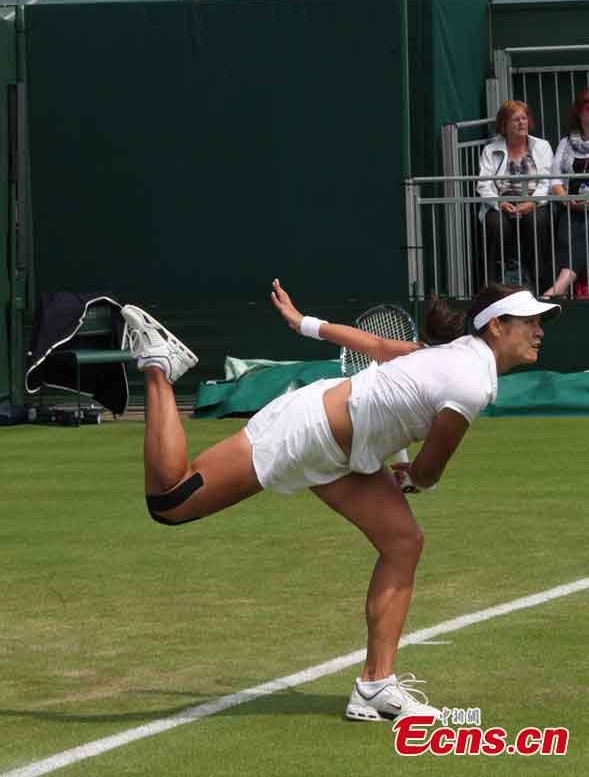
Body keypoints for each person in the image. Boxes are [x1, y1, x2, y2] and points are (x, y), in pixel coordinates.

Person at [120, 279, 560, 723]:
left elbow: (375, 345)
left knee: (403, 542)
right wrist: (416, 481)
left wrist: (305, 323)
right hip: (305, 432)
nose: (539, 331)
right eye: (530, 322)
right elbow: (426, 471)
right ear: (498, 326)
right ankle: (159, 367)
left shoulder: (458, 353)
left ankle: (375, 686)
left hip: (349, 453)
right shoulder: (471, 383)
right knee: (171, 501)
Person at [477, 101, 553, 290]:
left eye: (524, 118)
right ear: (504, 125)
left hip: (533, 201)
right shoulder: (490, 150)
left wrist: (533, 202)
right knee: (495, 224)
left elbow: (548, 181)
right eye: (515, 119)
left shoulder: (542, 146)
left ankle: (540, 285)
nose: (521, 123)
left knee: (538, 222)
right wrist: (500, 203)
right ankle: (492, 286)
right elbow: (483, 184)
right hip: (502, 202)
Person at [543, 88, 589, 298]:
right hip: (571, 206)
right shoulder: (565, 143)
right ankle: (565, 281)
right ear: (579, 113)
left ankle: (562, 284)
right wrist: (568, 200)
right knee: (569, 227)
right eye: (588, 108)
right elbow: (555, 178)